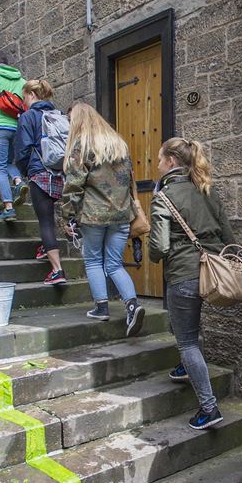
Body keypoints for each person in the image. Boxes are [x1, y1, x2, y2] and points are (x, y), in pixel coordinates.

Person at [149, 137, 236, 430]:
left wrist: (149, 251)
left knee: (186, 341)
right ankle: (186, 367)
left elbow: (158, 248)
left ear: (171, 161)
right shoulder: (207, 188)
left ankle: (209, 409)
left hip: (184, 273)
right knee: (188, 326)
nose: (157, 164)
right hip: (212, 272)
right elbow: (228, 237)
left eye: (160, 159)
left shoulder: (164, 196)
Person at [62, 102, 145, 336]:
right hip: (120, 214)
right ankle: (132, 305)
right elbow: (128, 180)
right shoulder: (119, 144)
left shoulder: (81, 145)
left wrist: (68, 216)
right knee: (115, 264)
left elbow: (74, 185)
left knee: (93, 261)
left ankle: (101, 308)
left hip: (93, 215)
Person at [14, 80, 67, 285]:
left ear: (32, 95)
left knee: (46, 222)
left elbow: (23, 149)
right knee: (50, 217)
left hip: (40, 174)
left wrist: (25, 171)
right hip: (60, 173)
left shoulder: (28, 117)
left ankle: (57, 271)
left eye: (25, 97)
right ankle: (46, 247)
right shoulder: (59, 115)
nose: (24, 101)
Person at [0, 50, 28, 221]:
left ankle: (8, 208)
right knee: (8, 162)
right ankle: (18, 181)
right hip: (17, 125)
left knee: (0, 168)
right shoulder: (21, 80)